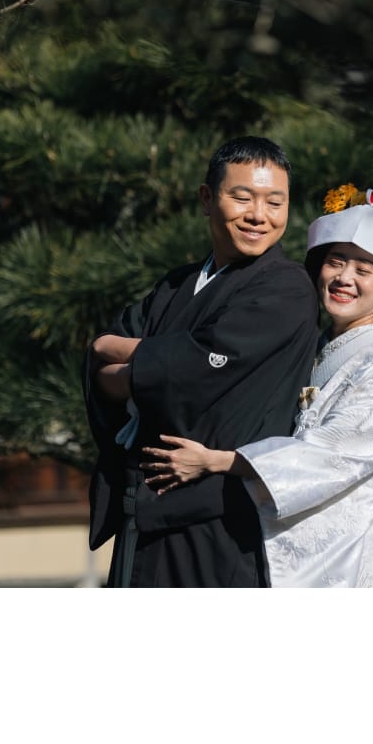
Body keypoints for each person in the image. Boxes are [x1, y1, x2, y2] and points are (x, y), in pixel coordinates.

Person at [141, 177, 373, 587]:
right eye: (335, 262)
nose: (344, 278)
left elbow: (334, 454)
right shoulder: (318, 347)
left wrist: (217, 460)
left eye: (364, 270)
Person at [83, 136, 320, 587]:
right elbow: (103, 371)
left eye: (275, 202)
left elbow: (192, 372)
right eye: (242, 197)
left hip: (223, 518)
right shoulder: (175, 286)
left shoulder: (287, 289)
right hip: (144, 510)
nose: (259, 215)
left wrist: (116, 357)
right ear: (207, 199)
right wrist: (134, 364)